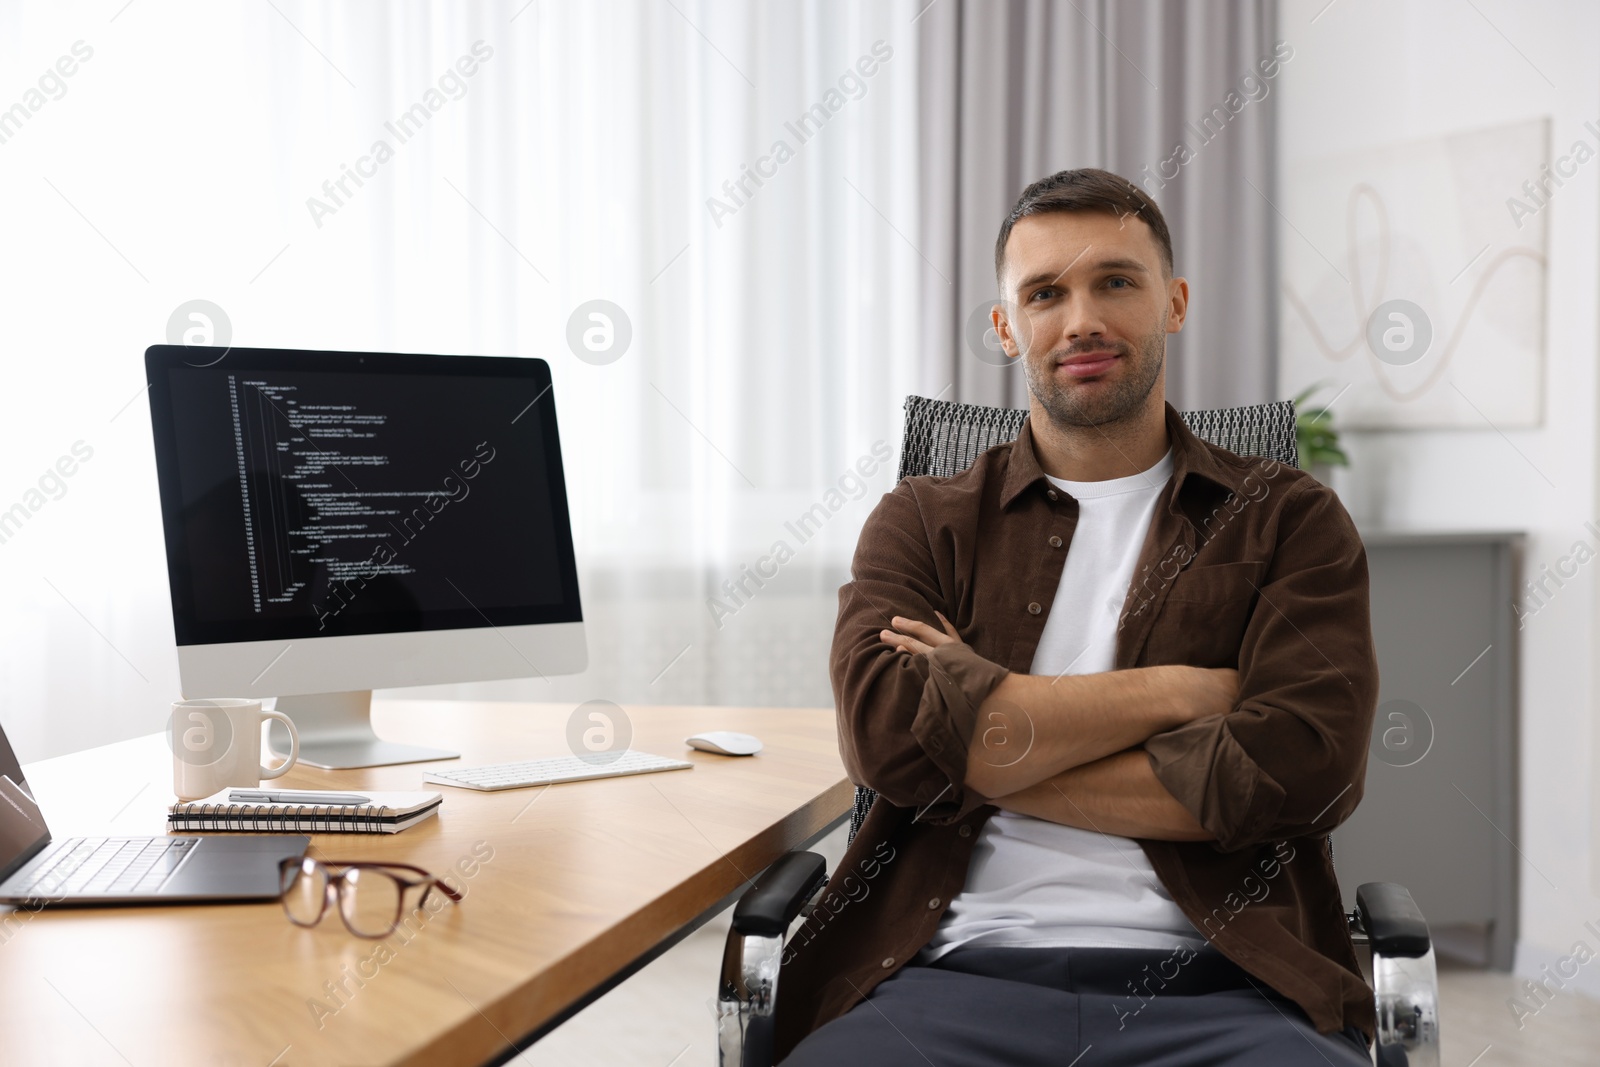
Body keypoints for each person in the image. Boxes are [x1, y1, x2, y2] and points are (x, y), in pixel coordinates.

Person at [774, 168, 1378, 1066]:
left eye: (1116, 282)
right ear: (1005, 326)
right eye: (1045, 292)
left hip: (1226, 985)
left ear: (1173, 301)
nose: (1082, 319)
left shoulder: (1288, 518)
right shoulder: (922, 519)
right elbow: (887, 741)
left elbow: (1301, 772)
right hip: (943, 976)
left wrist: (980, 730)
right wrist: (1183, 694)